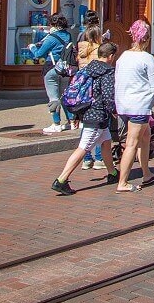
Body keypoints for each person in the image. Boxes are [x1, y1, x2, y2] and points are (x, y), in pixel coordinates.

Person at [51, 41, 120, 194]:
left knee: (106, 142)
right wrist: (114, 110)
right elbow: (108, 94)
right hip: (97, 115)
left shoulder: (89, 67)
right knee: (84, 147)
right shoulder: (108, 71)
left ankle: (112, 173)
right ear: (110, 56)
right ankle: (61, 179)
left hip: (86, 110)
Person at [114, 19, 154, 192]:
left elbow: (118, 81)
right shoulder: (147, 58)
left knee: (145, 136)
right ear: (147, 39)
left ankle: (146, 173)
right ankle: (122, 182)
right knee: (132, 143)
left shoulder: (123, 56)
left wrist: (118, 104)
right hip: (138, 106)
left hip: (124, 104)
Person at [24, 15, 75, 135]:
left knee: (54, 98)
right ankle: (71, 122)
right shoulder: (68, 35)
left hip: (51, 69)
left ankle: (56, 124)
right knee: (64, 97)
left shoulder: (51, 38)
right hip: (66, 70)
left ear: (53, 25)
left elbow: (39, 54)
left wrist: (32, 48)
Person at [75, 24, 105, 169]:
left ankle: (87, 158)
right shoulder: (100, 51)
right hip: (96, 92)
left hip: (83, 93)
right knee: (99, 125)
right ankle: (99, 158)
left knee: (86, 125)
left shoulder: (82, 50)